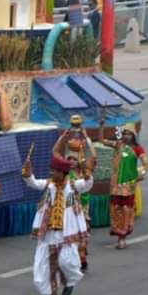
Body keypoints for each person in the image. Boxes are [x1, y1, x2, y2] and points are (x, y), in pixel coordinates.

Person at [24, 155, 92, 295]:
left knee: (65, 261)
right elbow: (33, 182)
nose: (51, 174)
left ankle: (69, 281)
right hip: (48, 231)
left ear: (63, 173)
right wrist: (28, 172)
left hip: (66, 231)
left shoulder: (73, 185)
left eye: (54, 171)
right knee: (46, 263)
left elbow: (87, 184)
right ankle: (51, 292)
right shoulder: (49, 184)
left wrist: (87, 172)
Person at [53, 115, 96, 271]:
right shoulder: (64, 173)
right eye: (69, 159)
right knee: (68, 235)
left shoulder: (84, 171)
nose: (71, 161)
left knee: (82, 234)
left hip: (82, 207)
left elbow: (93, 156)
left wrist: (86, 138)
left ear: (79, 161)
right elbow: (55, 153)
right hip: (66, 208)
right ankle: (71, 260)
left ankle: (82, 259)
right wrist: (62, 138)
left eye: (74, 159)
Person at [100, 124, 148, 249]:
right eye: (125, 133)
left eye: (129, 134)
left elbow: (146, 163)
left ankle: (123, 237)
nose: (126, 136)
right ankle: (118, 234)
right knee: (116, 209)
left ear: (133, 136)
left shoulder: (138, 149)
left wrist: (141, 174)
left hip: (128, 185)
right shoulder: (118, 145)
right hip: (116, 185)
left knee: (126, 210)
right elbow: (102, 141)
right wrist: (101, 127)